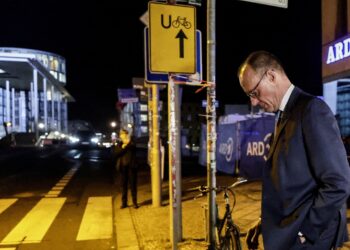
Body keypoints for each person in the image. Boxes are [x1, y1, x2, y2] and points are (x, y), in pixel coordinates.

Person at [237, 50, 350, 250]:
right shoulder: (283, 115)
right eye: (249, 96)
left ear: (271, 76)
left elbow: (338, 183)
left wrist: (304, 232)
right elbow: (291, 183)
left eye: (254, 93)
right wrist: (266, 222)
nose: (253, 102)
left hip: (309, 240)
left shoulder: (312, 110)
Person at [115, 129, 138, 209]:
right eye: (121, 134)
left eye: (124, 134)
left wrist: (127, 145)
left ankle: (135, 202)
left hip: (131, 167)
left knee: (133, 185)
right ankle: (124, 203)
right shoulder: (119, 144)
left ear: (127, 135)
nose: (122, 136)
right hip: (123, 167)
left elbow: (133, 148)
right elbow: (117, 154)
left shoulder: (132, 142)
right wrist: (123, 148)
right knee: (123, 186)